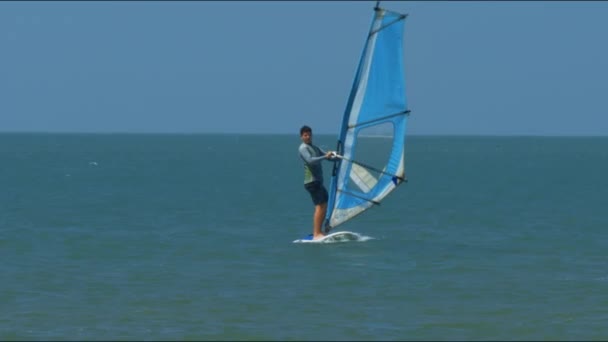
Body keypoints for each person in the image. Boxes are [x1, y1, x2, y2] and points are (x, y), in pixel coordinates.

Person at [298, 125, 336, 240]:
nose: (308, 137)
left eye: (309, 134)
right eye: (305, 135)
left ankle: (319, 231)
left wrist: (336, 155)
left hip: (318, 182)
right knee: (320, 206)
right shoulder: (303, 148)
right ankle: (316, 234)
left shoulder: (315, 148)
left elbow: (328, 157)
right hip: (311, 182)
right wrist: (325, 156)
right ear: (301, 137)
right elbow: (310, 160)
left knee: (325, 204)